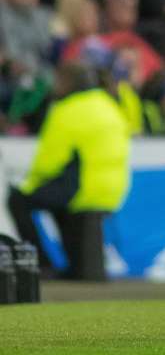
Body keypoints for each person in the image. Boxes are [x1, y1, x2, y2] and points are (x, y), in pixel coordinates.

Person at [5, 61, 131, 277]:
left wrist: (28, 185)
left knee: (19, 200)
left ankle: (42, 265)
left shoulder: (67, 109)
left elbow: (49, 162)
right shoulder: (110, 105)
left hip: (83, 189)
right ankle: (76, 267)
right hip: (112, 189)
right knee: (57, 197)